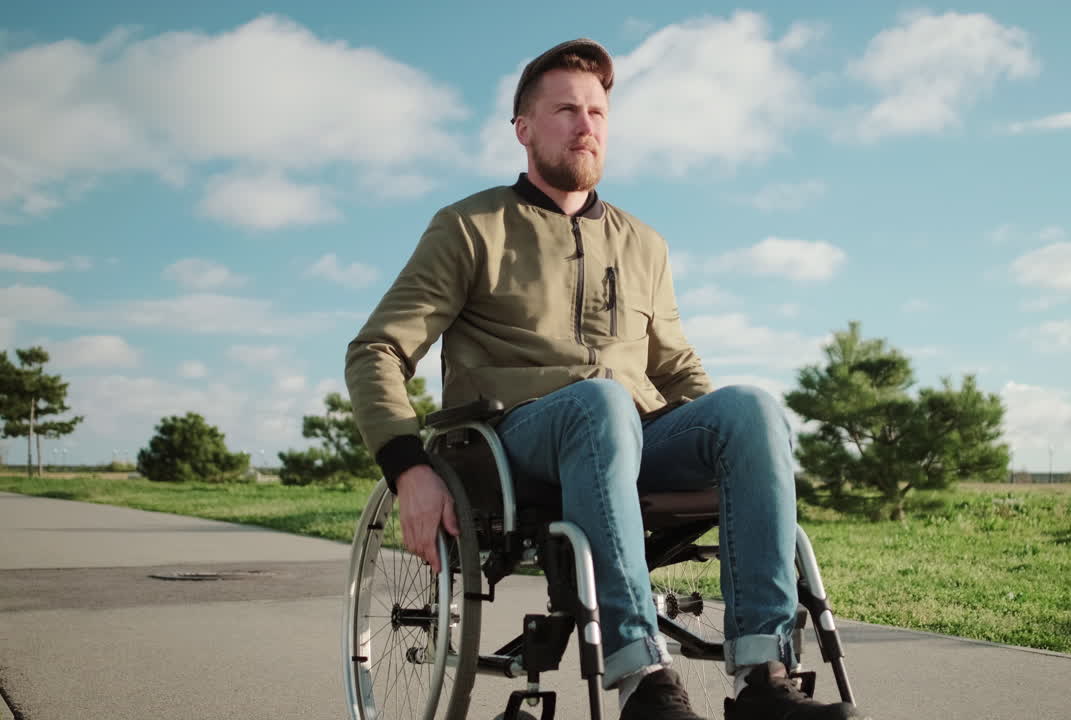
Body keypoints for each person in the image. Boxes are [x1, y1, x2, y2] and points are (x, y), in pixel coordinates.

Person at [345, 38, 857, 720]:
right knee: (600, 403)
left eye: (596, 112)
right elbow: (376, 350)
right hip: (517, 441)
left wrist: (731, 450)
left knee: (754, 411)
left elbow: (675, 365)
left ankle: (764, 675)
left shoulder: (642, 243)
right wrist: (409, 469)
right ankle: (644, 679)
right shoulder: (471, 228)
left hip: (632, 436)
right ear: (524, 130)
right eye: (565, 110)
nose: (585, 124)